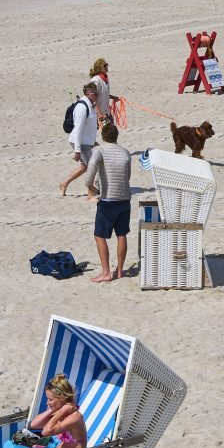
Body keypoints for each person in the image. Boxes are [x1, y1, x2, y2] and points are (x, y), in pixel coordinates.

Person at [85, 120, 133, 282]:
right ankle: (119, 271)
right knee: (122, 234)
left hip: (108, 200)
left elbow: (90, 166)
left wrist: (90, 186)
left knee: (100, 235)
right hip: (125, 198)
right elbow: (128, 176)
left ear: (103, 136)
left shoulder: (99, 150)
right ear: (116, 136)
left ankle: (106, 272)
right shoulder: (125, 152)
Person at [59, 82, 99, 196]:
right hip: (81, 142)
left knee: (84, 166)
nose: (97, 96)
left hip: (86, 141)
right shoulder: (82, 107)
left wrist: (93, 140)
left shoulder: (90, 104)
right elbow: (77, 129)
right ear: (89, 94)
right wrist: (77, 150)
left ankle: (64, 184)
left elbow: (88, 126)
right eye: (95, 94)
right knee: (92, 166)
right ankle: (91, 190)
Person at [89, 58, 120, 125]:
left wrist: (114, 97)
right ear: (100, 68)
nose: (107, 66)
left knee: (112, 132)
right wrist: (99, 113)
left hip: (107, 112)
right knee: (108, 133)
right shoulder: (95, 81)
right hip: (99, 115)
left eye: (106, 65)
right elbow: (91, 99)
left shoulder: (105, 78)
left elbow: (103, 93)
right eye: (105, 65)